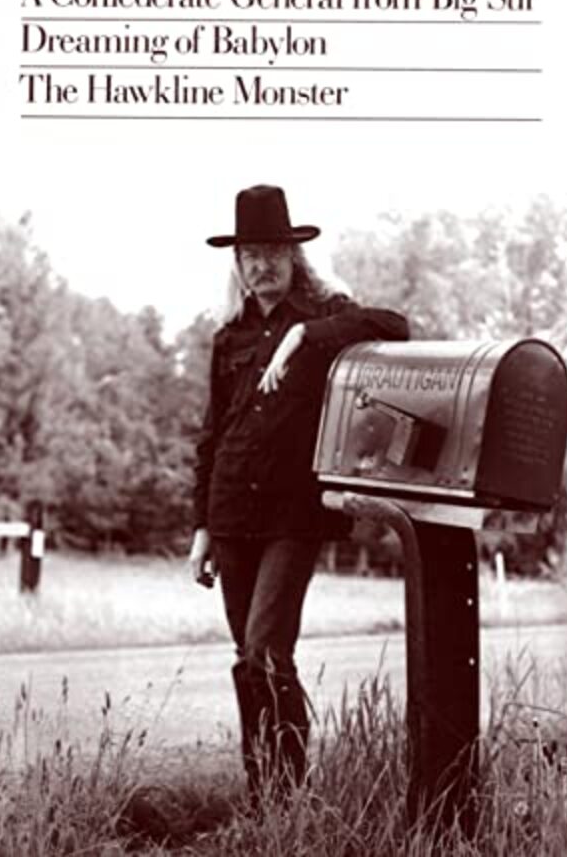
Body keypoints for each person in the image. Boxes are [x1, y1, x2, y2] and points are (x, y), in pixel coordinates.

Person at [188, 184, 409, 803]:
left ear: (293, 256)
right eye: (250, 254)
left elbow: (395, 325)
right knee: (247, 656)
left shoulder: (325, 315)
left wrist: (305, 335)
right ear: (238, 264)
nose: (261, 265)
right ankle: (266, 797)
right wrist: (201, 528)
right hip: (231, 510)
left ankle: (287, 794)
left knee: (265, 650)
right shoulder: (228, 337)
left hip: (293, 514)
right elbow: (212, 435)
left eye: (272, 252)